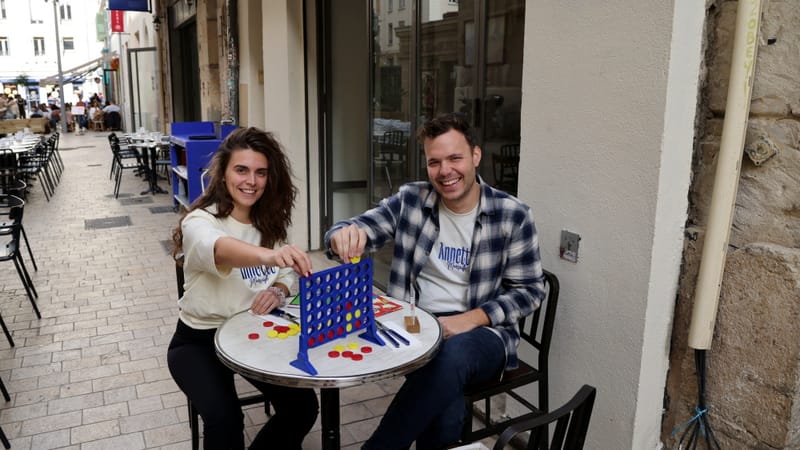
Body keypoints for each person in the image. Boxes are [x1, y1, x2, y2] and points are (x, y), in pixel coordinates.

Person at [325, 113, 546, 450]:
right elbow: (360, 227)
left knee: (448, 356)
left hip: (485, 334)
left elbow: (530, 290)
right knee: (444, 411)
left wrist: (467, 320)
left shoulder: (512, 214)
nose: (445, 171)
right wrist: (343, 235)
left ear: (475, 155)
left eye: (455, 158)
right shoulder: (412, 200)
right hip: (417, 327)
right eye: (434, 162)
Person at [167, 127, 319, 449]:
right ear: (223, 174)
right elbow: (218, 248)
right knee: (226, 421)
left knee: (303, 408)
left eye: (261, 172)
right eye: (242, 170)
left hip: (251, 335)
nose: (251, 181)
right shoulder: (200, 221)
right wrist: (271, 256)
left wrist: (278, 287)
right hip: (199, 341)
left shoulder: (269, 223)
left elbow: (288, 276)